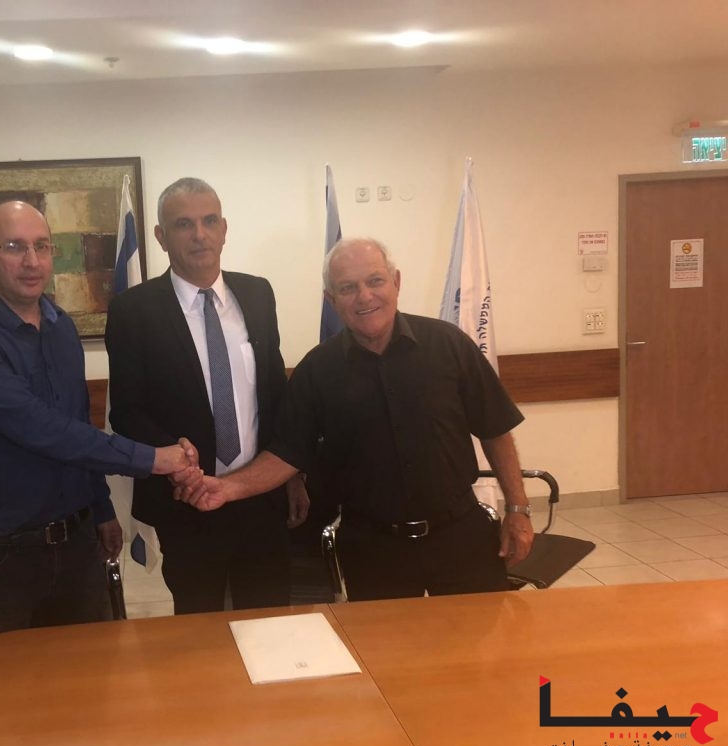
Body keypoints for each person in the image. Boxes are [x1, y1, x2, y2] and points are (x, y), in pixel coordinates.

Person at [178, 237, 534, 600]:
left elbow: (495, 429)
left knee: (480, 637)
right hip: (373, 551)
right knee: (385, 640)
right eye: (347, 288)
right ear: (331, 300)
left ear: (396, 282)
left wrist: (518, 508)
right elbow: (286, 454)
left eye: (375, 281)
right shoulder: (317, 371)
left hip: (461, 539)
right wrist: (226, 487)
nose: (364, 297)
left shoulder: (449, 345)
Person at [0, 200, 198, 634]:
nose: (31, 261)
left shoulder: (60, 327)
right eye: (14, 247)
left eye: (42, 246)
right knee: (1, 678)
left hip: (77, 546)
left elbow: (77, 423)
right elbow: (41, 429)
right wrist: (155, 459)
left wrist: (102, 508)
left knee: (90, 674)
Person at [105, 177, 308, 614]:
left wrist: (291, 475)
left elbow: (275, 394)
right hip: (188, 502)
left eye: (209, 221)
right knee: (200, 629)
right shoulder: (133, 311)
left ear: (224, 229)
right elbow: (127, 411)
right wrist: (176, 461)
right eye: (184, 224)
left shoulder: (257, 293)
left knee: (269, 620)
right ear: (161, 237)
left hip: (259, 496)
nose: (199, 234)